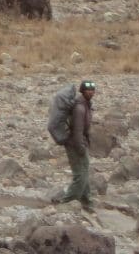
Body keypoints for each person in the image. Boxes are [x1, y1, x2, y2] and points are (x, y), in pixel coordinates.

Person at [56, 80, 96, 211]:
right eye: (88, 90)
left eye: (92, 90)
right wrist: (81, 148)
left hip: (80, 143)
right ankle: (67, 201)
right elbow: (78, 131)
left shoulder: (85, 105)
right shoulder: (79, 108)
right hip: (75, 144)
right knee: (80, 174)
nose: (91, 92)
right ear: (82, 91)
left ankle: (86, 201)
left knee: (84, 172)